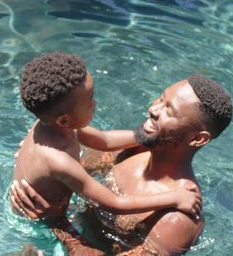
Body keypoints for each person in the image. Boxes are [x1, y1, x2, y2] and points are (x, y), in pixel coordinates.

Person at [11, 74, 233, 256]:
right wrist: (41, 158)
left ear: (198, 138)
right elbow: (75, 164)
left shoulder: (177, 217)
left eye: (169, 111)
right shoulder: (132, 151)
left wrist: (58, 224)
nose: (153, 109)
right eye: (160, 99)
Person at [11, 52, 202, 223]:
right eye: (89, 102)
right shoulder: (57, 160)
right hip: (36, 221)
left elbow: (103, 140)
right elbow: (113, 203)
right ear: (64, 120)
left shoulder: (51, 125)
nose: (95, 103)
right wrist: (175, 198)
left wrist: (150, 135)